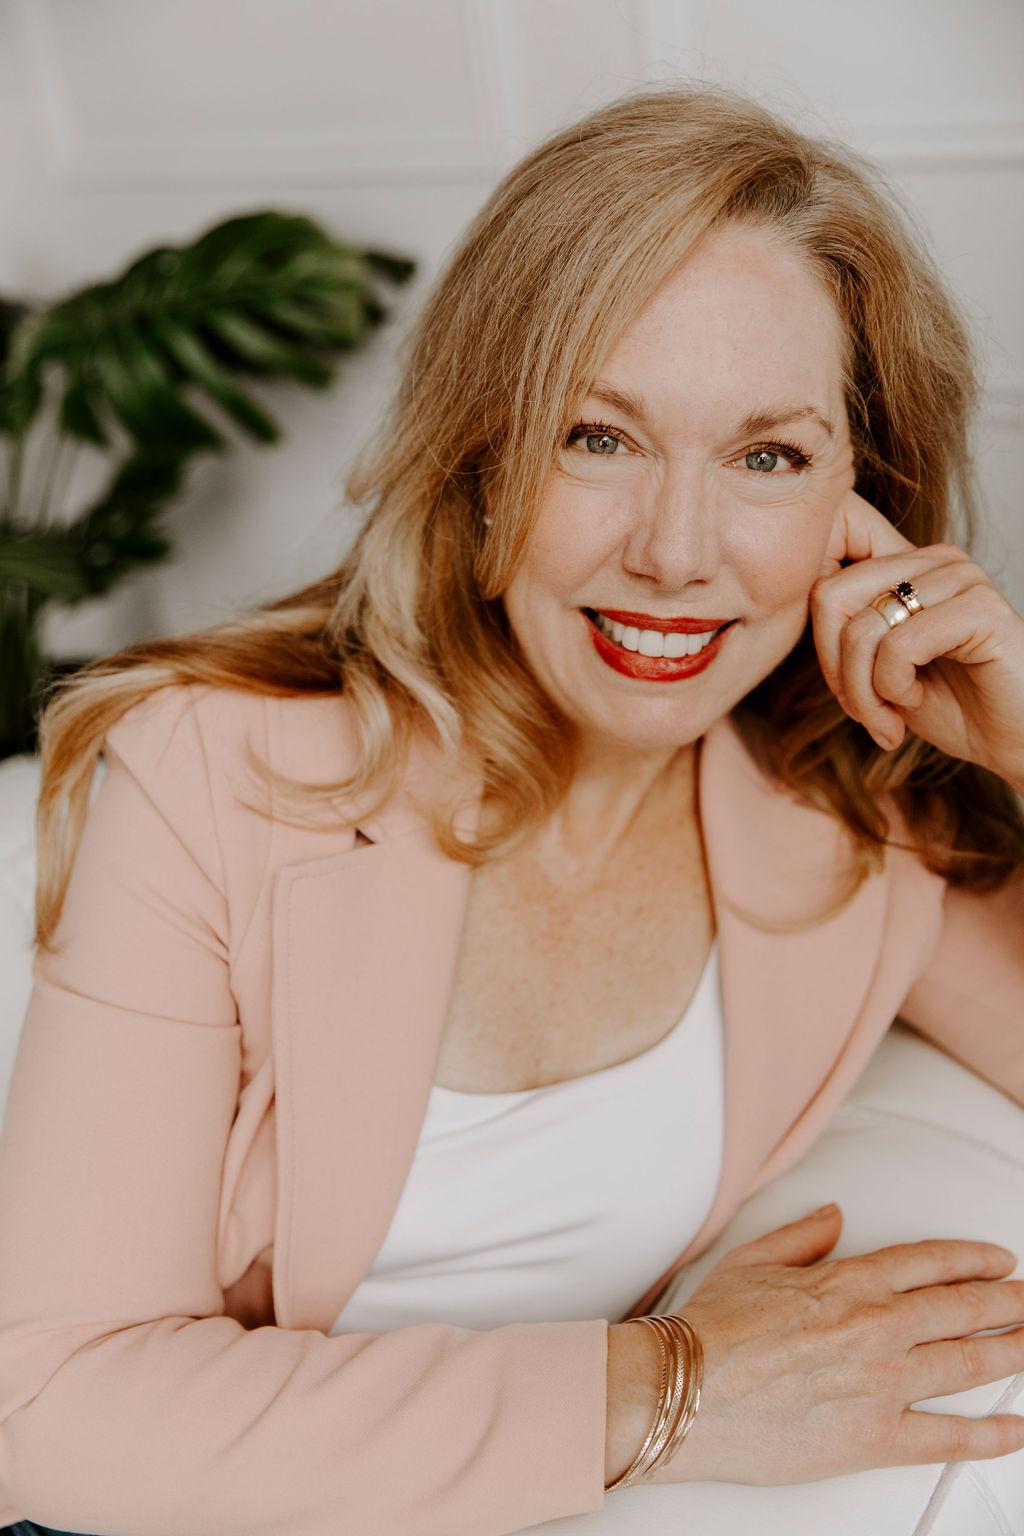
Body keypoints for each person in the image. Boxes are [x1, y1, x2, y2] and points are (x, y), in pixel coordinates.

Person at [1, 81, 1023, 1536]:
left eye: (768, 458)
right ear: (484, 458)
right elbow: (50, 1411)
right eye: (597, 438)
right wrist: (667, 1387)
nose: (677, 551)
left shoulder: (849, 826)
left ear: (862, 503)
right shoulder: (212, 777)